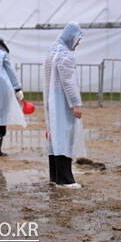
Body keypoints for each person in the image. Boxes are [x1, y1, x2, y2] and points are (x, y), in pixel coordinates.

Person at [44, 23, 86, 188]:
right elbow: (69, 82)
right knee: (63, 137)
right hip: (62, 103)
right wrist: (76, 103)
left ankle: (55, 177)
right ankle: (65, 180)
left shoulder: (52, 52)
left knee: (55, 139)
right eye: (78, 39)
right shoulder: (65, 56)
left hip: (52, 102)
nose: (78, 43)